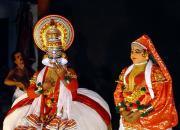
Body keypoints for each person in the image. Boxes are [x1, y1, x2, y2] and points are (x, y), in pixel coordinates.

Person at [3, 15, 111, 130]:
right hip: (42, 111)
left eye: (56, 51)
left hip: (63, 110)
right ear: (46, 53)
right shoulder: (39, 75)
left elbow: (73, 92)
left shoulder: (68, 71)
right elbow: (30, 93)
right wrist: (42, 88)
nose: (53, 56)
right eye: (51, 51)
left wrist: (63, 77)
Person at [114, 35, 178, 130]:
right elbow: (117, 93)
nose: (133, 54)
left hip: (150, 119)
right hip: (127, 118)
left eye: (137, 51)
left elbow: (161, 97)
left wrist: (140, 112)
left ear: (146, 53)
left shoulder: (155, 72)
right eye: (132, 51)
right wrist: (123, 111)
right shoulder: (125, 71)